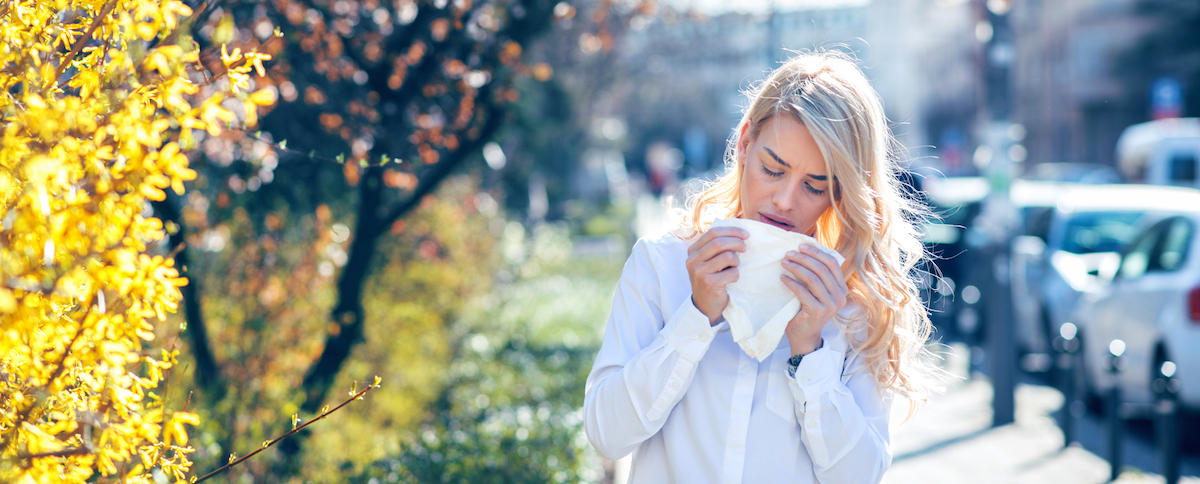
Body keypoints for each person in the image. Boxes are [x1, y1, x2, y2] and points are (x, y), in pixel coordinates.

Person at [583, 50, 938, 483]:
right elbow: (607, 435)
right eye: (773, 170)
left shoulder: (852, 303)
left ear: (840, 195)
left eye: (814, 186)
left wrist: (810, 352)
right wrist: (694, 317)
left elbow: (860, 477)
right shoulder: (663, 263)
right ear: (745, 145)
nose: (786, 200)